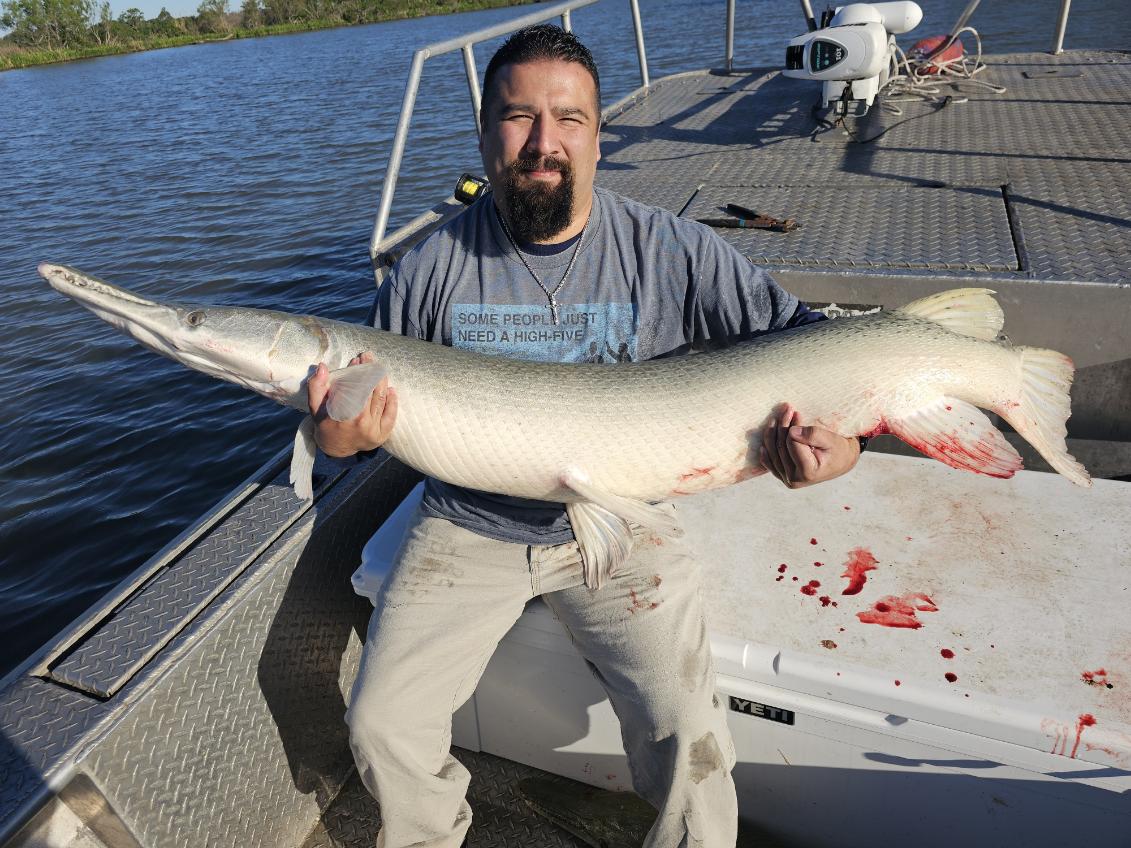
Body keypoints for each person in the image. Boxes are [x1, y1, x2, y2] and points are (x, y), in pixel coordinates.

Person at [308, 25, 861, 847]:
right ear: (485, 133)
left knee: (690, 733)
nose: (542, 142)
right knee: (383, 724)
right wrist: (337, 441)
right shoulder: (428, 268)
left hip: (625, 515)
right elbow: (349, 438)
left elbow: (813, 355)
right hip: (470, 524)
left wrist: (835, 452)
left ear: (599, 136)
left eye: (568, 119)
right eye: (517, 116)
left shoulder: (673, 249)